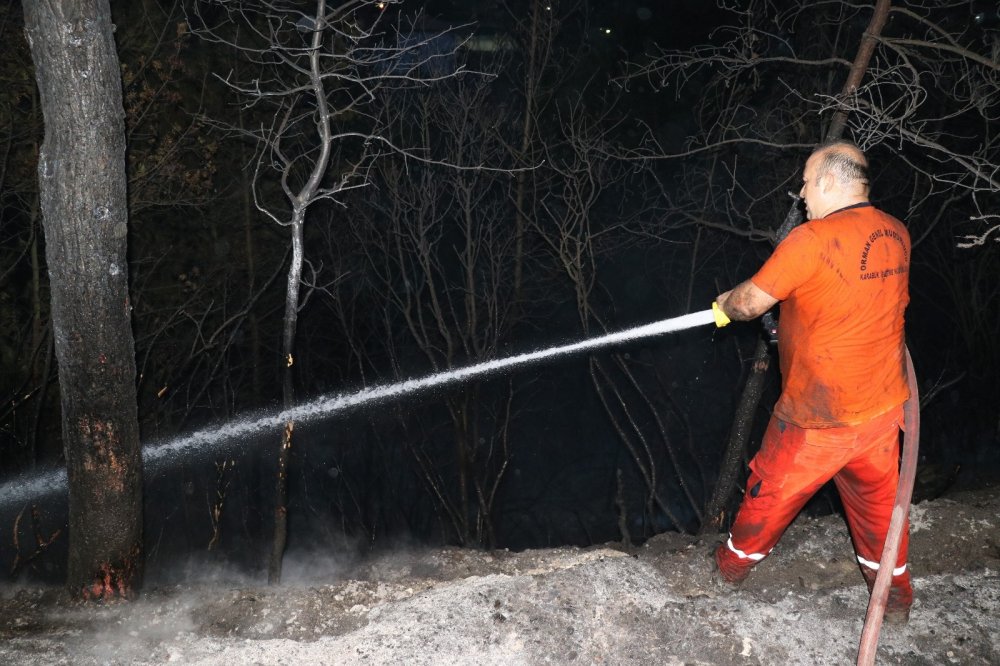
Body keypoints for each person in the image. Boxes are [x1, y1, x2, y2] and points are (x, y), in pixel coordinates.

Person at [713, 140, 914, 622]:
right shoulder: (896, 232)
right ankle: (897, 601)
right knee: (880, 518)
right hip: (883, 414)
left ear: (827, 182)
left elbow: (748, 304)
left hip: (816, 420)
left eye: (805, 181)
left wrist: (724, 305)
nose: (800, 192)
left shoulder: (810, 240)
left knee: (767, 497)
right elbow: (853, 297)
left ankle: (729, 570)